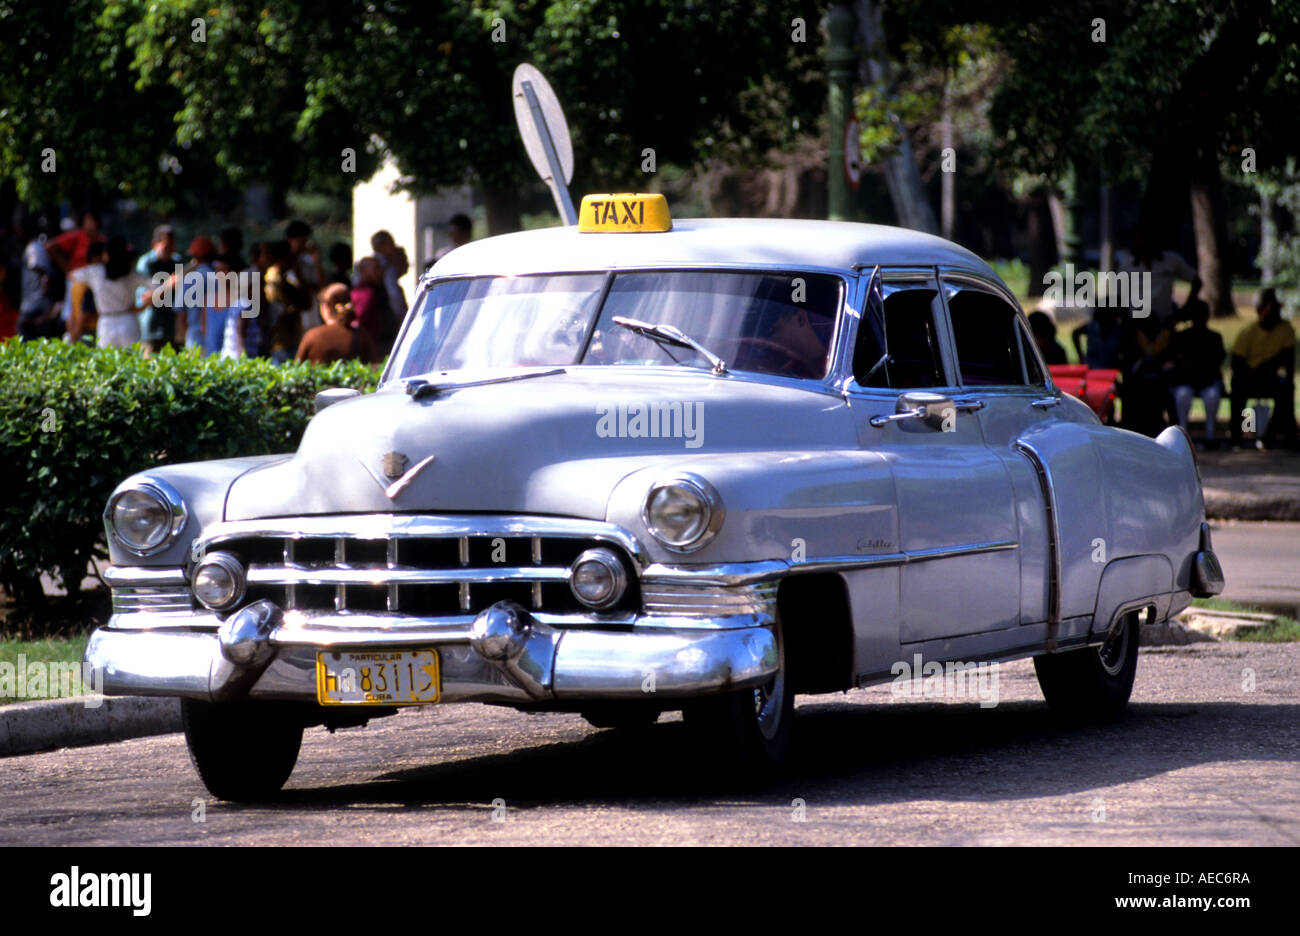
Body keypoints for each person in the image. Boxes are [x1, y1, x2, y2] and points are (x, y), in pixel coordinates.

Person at [70, 235, 172, 348]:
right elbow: (160, 287)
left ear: (106, 255)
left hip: (106, 323)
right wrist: (143, 305)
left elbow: (72, 275)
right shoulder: (132, 274)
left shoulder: (95, 272)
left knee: (107, 362)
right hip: (128, 320)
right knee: (131, 361)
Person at [1229, 288, 1297, 449]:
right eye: (1270, 309)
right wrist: (1255, 373)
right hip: (1249, 377)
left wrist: (1279, 373)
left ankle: (1272, 436)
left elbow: (1288, 358)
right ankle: (1237, 437)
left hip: (1270, 377)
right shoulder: (1248, 333)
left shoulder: (1285, 329)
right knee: (1238, 389)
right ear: (1261, 311)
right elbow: (1237, 364)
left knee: (1286, 389)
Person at [1168, 298, 1225, 445]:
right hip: (1186, 381)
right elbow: (1178, 363)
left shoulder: (1214, 337)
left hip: (1209, 381)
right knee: (1182, 395)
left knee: (1212, 396)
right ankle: (1182, 434)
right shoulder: (1181, 337)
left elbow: (1216, 362)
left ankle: (1210, 434)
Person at [1116, 226, 1200, 326]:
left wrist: (1185, 309)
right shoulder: (1125, 265)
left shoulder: (1172, 260)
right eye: (1140, 240)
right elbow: (1119, 298)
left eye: (1148, 240)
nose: (1145, 244)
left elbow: (1196, 281)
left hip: (1165, 321)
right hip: (1136, 323)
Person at [296, 283, 378, 365]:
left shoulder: (313, 336)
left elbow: (297, 369)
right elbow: (374, 367)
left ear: (326, 307)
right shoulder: (362, 335)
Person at [136, 224, 182, 353]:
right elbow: (145, 299)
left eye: (172, 247)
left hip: (172, 328)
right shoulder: (146, 264)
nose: (170, 251)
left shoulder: (177, 261)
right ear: (154, 244)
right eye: (167, 247)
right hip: (151, 328)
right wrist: (168, 286)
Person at [264, 239, 310, 364]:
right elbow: (278, 312)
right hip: (281, 342)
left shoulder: (286, 280)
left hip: (290, 340)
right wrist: (294, 308)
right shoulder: (273, 280)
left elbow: (307, 303)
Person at [179, 236, 217, 351]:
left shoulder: (189, 279)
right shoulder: (220, 278)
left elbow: (181, 314)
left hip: (194, 336)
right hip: (216, 334)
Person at [350, 256, 392, 350]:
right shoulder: (365, 294)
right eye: (376, 268)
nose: (380, 272)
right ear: (363, 271)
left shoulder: (378, 291)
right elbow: (359, 322)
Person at [369, 230, 407, 316]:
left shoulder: (370, 263)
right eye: (391, 244)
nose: (393, 248)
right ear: (381, 246)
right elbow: (394, 295)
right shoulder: (387, 266)